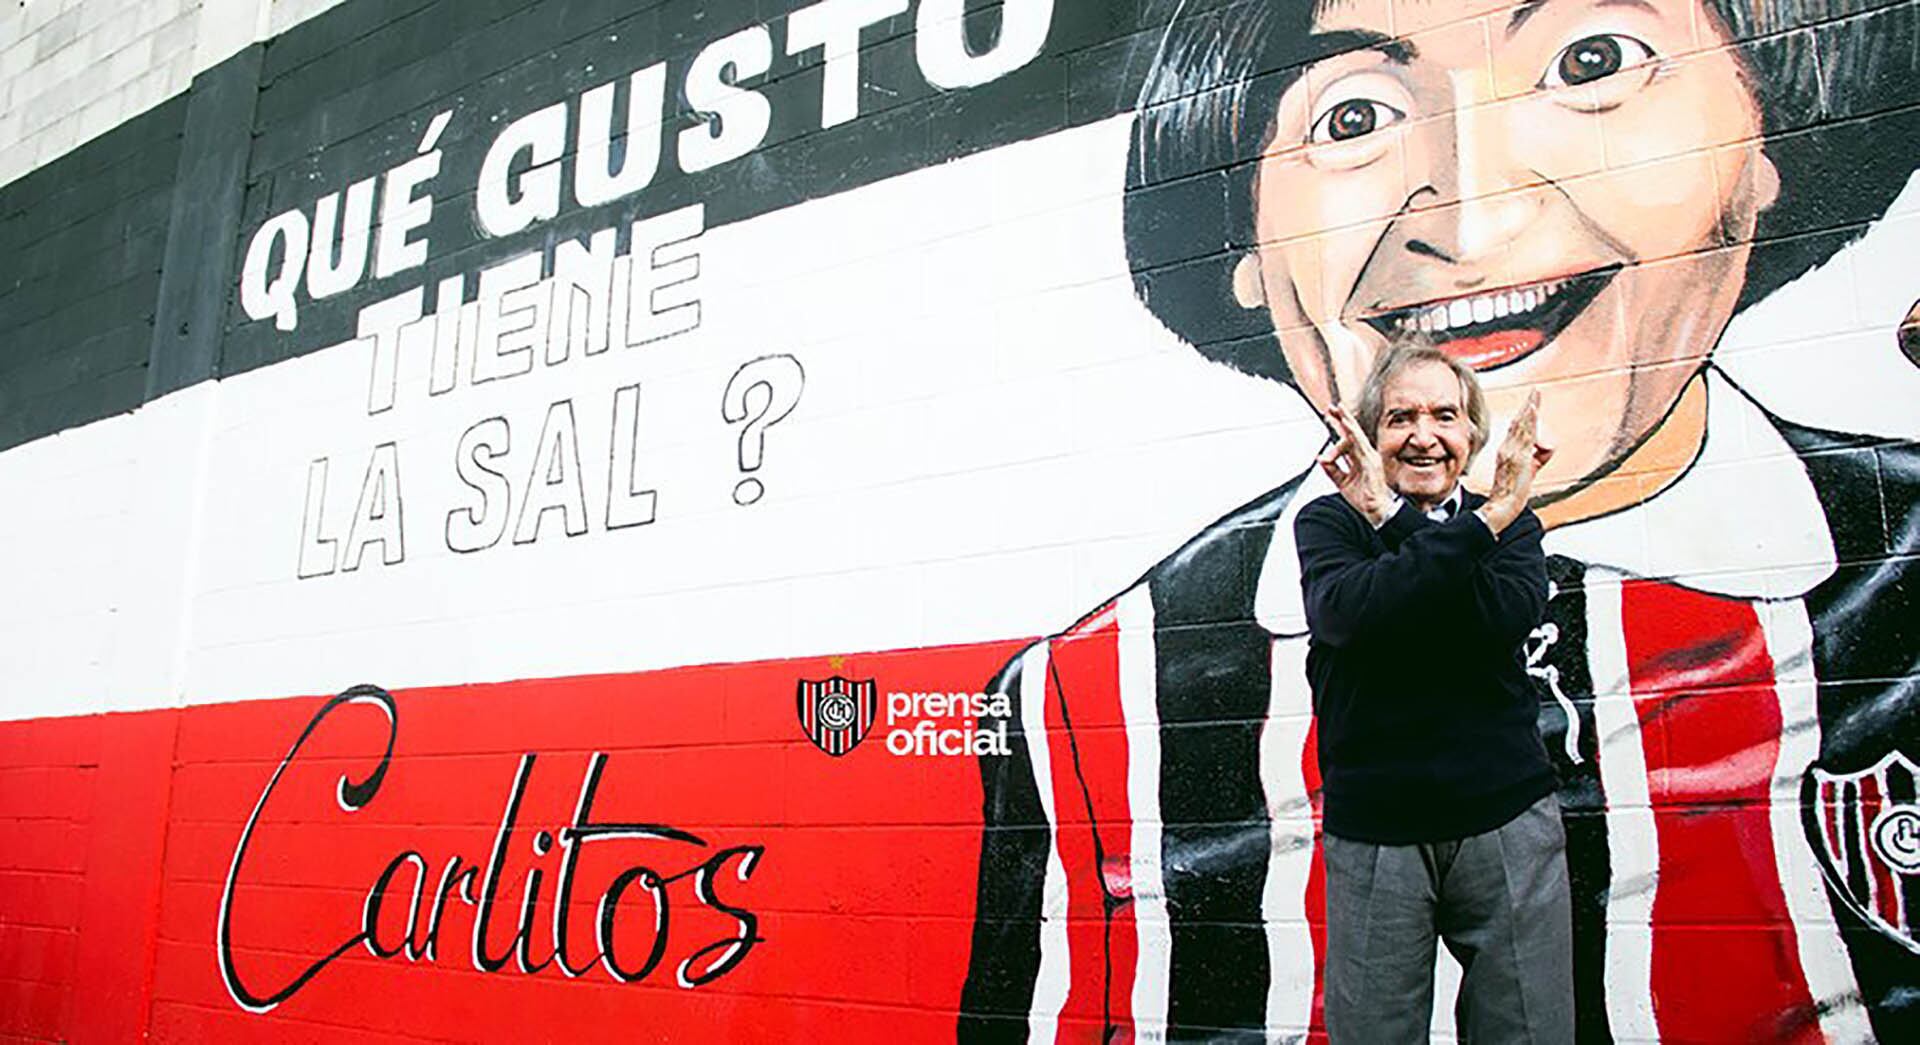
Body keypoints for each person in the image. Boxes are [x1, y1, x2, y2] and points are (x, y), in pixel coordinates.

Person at [961, 0, 1920, 1041]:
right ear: (1240, 237)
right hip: (1385, 836)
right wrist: (1473, 527)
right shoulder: (1087, 697)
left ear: (1770, 140)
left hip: (1501, 834)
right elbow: (1367, 606)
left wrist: (1461, 544)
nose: (1471, 219)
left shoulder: (1898, 555)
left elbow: (1474, 600)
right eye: (1353, 116)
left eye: (1592, 62)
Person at [1297, 344, 1564, 1042]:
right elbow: (1348, 614)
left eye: (1444, 415)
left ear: (1471, 435)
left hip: (1507, 820)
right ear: (1368, 435)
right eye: (1400, 417)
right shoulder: (1330, 523)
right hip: (1377, 831)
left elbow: (1493, 618)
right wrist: (1476, 525)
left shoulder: (1515, 524)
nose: (1423, 435)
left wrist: (1402, 522)